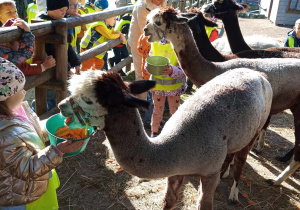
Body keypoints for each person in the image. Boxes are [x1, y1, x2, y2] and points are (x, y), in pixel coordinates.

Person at [0, 58, 84, 209]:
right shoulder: (4, 135)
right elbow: (26, 168)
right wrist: (57, 151)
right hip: (19, 196)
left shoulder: (18, 109)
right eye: (20, 90)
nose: (25, 91)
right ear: (4, 98)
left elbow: (34, 129)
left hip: (34, 184)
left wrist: (58, 124)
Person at [145, 40, 186, 137]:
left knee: (175, 111)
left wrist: (173, 70)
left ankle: (176, 132)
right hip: (158, 87)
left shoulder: (178, 45)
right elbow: (149, 60)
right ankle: (154, 132)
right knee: (157, 110)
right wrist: (148, 67)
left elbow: (185, 68)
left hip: (174, 88)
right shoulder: (154, 44)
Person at [127, 0, 167, 100]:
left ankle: (155, 98)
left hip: (156, 41)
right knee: (140, 72)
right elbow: (145, 30)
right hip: (139, 42)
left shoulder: (162, 3)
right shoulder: (142, 6)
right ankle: (142, 101)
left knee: (154, 71)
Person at [0, 0, 34, 65]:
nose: (14, 14)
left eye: (15, 11)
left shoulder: (19, 28)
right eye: (9, 12)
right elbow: (25, 54)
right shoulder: (3, 39)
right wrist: (27, 31)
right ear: (0, 17)